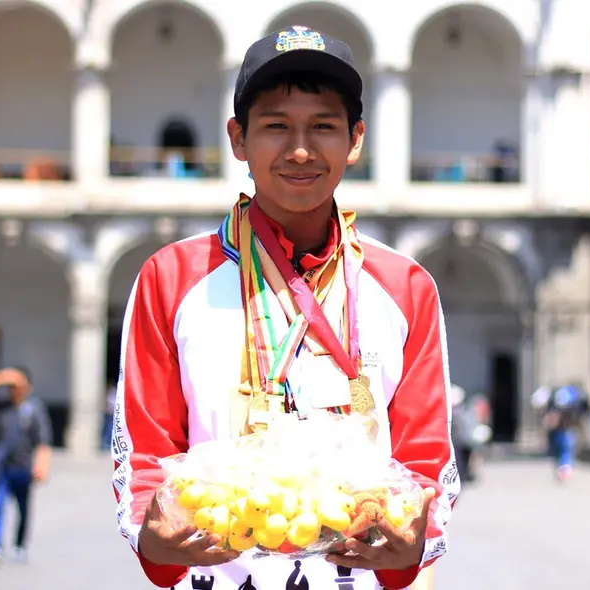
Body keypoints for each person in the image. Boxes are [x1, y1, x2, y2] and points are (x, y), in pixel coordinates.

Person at [113, 25, 459, 590]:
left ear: (355, 138)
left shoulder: (404, 284)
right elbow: (147, 447)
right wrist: (154, 541)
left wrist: (412, 548)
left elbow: (426, 455)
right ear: (237, 139)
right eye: (276, 126)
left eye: (323, 126)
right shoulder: (171, 278)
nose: (300, 149)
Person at [0, 366, 53, 566]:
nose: (14, 389)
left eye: (18, 384)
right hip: (1, 467)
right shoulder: (2, 405)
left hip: (23, 467)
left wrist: (42, 465)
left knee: (23, 509)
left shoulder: (34, 409)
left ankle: (19, 545)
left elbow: (43, 439)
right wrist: (1, 377)